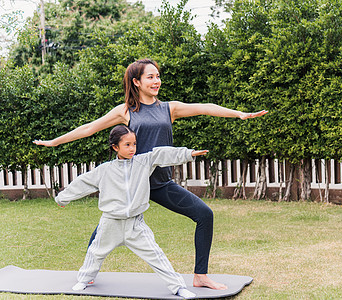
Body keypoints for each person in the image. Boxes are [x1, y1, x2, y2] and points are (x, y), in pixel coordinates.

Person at [34, 58, 267, 290]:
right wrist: (55, 142)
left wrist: (238, 114)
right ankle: (87, 273)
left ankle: (200, 276)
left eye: (157, 76)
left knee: (204, 215)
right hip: (130, 185)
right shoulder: (125, 111)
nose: (157, 81)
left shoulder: (169, 108)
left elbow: (204, 107)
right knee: (107, 226)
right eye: (150, 77)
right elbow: (89, 128)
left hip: (160, 183)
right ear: (136, 82)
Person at [55, 125, 205, 299]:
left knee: (156, 254)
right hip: (110, 223)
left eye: (134, 144)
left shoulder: (143, 162)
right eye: (127, 145)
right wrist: (63, 198)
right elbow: (83, 182)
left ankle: (178, 287)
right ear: (115, 147)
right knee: (95, 253)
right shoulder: (105, 170)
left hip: (135, 224)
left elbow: (162, 154)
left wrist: (188, 154)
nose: (132, 148)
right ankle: (84, 279)